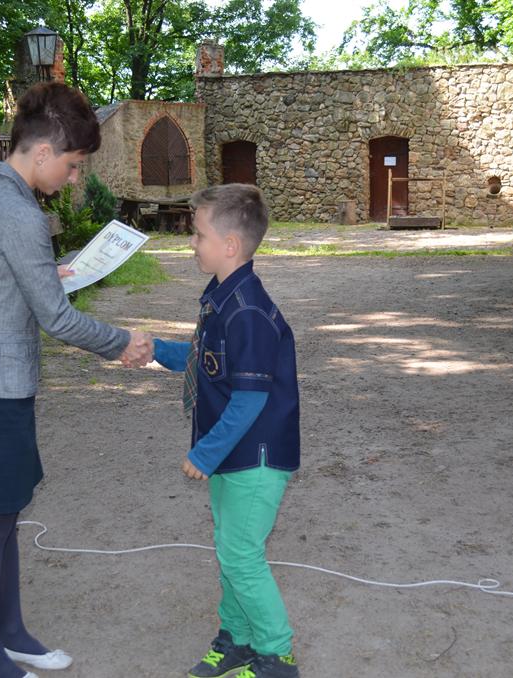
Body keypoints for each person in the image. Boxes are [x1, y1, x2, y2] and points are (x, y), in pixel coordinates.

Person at [0, 82, 153, 678]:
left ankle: (12, 634)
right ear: (42, 151)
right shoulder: (17, 211)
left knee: (2, 519)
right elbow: (56, 319)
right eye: (73, 165)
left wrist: (42, 274)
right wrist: (122, 343)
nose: (74, 178)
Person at [150, 184, 301, 678]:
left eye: (198, 235)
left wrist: (205, 453)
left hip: (255, 458)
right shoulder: (221, 299)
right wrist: (153, 349)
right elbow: (205, 361)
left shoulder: (248, 312)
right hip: (232, 455)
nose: (191, 243)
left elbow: (251, 398)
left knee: (240, 556)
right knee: (230, 550)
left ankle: (277, 655)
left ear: (230, 245)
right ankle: (236, 638)